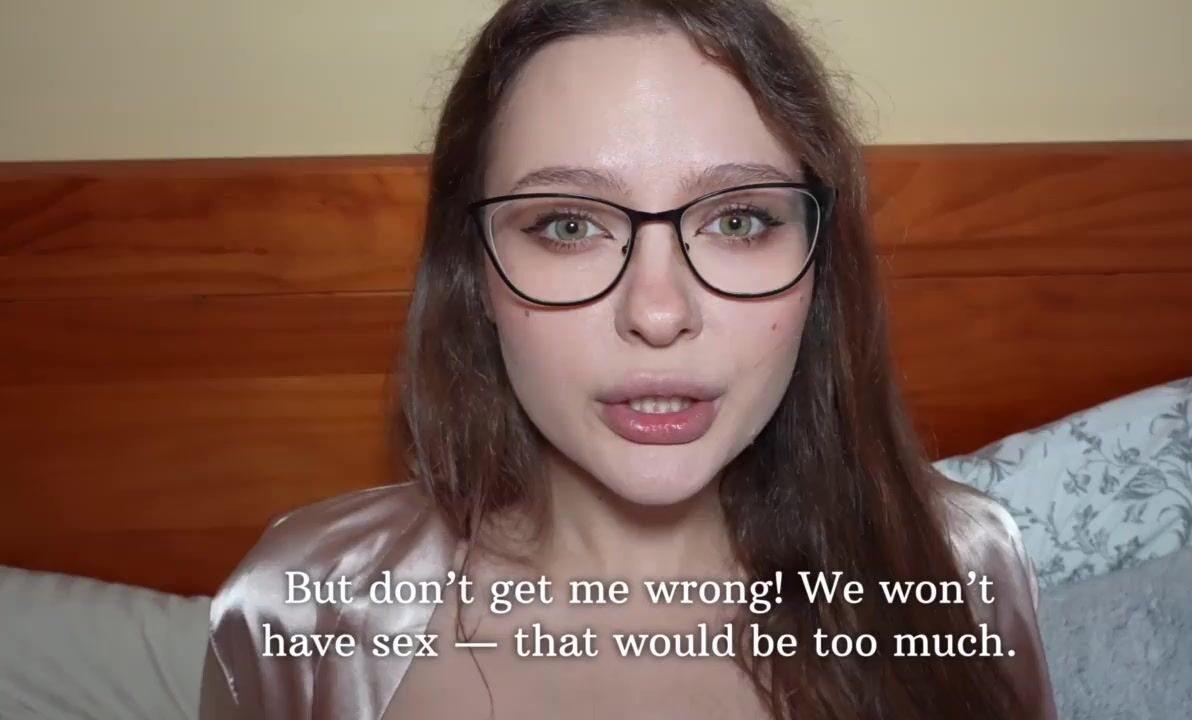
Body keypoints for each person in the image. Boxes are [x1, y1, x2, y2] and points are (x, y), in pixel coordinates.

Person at [199, 1, 1056, 718]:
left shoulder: (958, 566)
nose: (657, 313)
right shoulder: (303, 609)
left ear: (817, 267)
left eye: (739, 220)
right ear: (474, 275)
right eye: (568, 224)